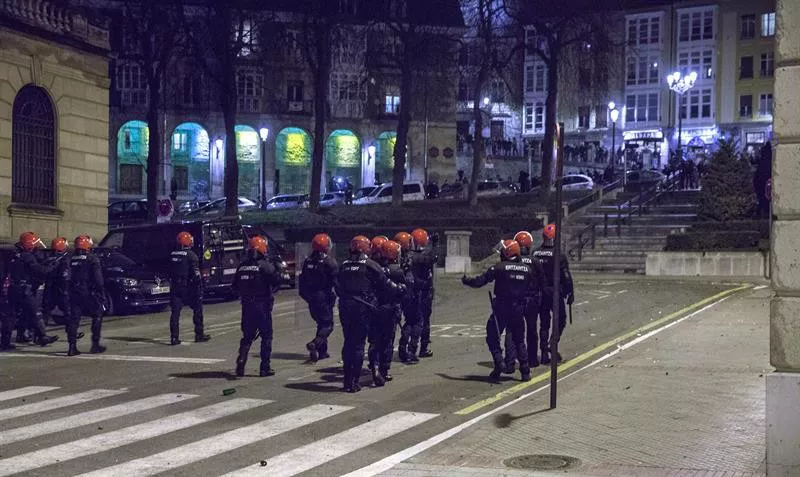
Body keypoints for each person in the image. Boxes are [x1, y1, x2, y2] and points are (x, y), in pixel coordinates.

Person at [336, 235, 404, 392]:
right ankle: (354, 381)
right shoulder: (370, 265)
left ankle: (347, 380)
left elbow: (337, 286)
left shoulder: (343, 265)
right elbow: (386, 284)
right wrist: (400, 289)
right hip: (362, 307)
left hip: (345, 307)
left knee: (348, 342)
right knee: (359, 345)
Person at [462, 239, 535, 381]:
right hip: (519, 308)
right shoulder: (527, 270)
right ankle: (525, 371)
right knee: (519, 339)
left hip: (502, 308)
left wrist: (467, 281)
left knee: (492, 336)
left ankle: (499, 362)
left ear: (507, 252)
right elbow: (531, 289)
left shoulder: (499, 267)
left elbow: (480, 281)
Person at [233, 235, 282, 377]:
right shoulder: (265, 265)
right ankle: (264, 367)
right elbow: (276, 280)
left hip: (246, 305)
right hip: (261, 304)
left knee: (247, 336)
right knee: (266, 335)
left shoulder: (242, 266)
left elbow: (234, 286)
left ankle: (241, 360)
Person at [2, 232, 58, 350]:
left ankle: (5, 342)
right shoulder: (27, 256)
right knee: (35, 312)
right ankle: (42, 336)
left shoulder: (13, 254)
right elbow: (40, 271)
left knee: (11, 316)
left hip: (13, 288)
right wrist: (52, 266)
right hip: (24, 289)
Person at [368, 239, 412, 386]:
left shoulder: (374, 268)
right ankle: (384, 371)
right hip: (390, 308)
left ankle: (373, 365)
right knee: (387, 341)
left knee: (374, 341)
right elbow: (403, 291)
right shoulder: (396, 271)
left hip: (374, 308)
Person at [502, 231, 545, 372]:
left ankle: (510, 360)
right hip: (532, 299)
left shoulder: (512, 262)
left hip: (516, 299)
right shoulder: (535, 261)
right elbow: (542, 281)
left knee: (512, 330)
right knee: (531, 330)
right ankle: (532, 359)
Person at [533, 224, 574, 364]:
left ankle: (544, 352)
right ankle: (553, 343)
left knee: (544, 322)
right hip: (555, 292)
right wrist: (570, 293)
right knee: (560, 319)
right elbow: (566, 276)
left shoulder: (535, 253)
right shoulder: (559, 255)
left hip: (540, 292)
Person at [299, 233, 338, 362]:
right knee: (327, 325)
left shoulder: (307, 261)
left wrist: (309, 297)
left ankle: (322, 351)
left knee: (320, 323)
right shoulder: (329, 262)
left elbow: (302, 283)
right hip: (323, 296)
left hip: (311, 297)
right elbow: (336, 282)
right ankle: (315, 343)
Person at [168, 231, 210, 345]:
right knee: (198, 309)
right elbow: (196, 274)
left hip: (175, 286)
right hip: (188, 287)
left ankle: (174, 337)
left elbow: (169, 271)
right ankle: (199, 334)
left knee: (175, 313)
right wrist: (200, 287)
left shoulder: (172, 254)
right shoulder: (191, 255)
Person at [67, 235, 106, 355]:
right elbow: (98, 280)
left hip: (73, 292)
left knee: (74, 319)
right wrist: (101, 293)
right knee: (97, 314)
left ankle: (72, 347)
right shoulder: (92, 258)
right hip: (88, 292)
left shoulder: (71, 258)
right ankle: (95, 344)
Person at [408, 229, 438, 359]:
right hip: (423, 292)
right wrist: (434, 245)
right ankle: (418, 348)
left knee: (412, 320)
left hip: (413, 292)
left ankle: (409, 347)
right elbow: (432, 258)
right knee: (422, 321)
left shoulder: (409, 255)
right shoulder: (422, 257)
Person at [394, 231, 419, 363]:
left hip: (398, 293)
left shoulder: (393, 256)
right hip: (410, 292)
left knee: (406, 321)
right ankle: (411, 349)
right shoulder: (412, 257)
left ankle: (403, 345)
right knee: (415, 321)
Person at [41, 237, 71, 328]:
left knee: (46, 308)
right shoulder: (64, 258)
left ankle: (41, 329)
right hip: (60, 287)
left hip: (49, 286)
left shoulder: (48, 257)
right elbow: (65, 274)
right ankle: (71, 329)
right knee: (66, 308)